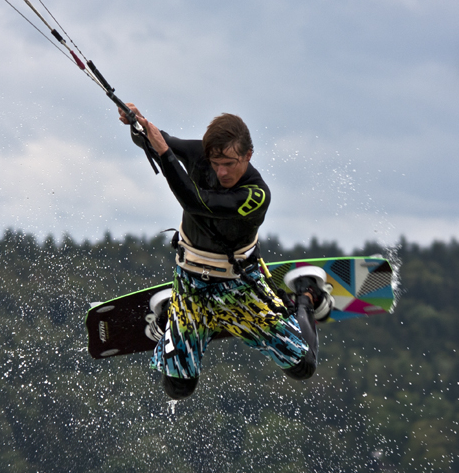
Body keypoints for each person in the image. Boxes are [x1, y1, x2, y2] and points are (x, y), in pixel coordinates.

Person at [119, 105, 332, 400]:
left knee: (303, 366)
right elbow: (154, 139)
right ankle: (170, 316)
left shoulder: (256, 194)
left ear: (248, 155)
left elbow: (197, 202)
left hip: (240, 287)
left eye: (229, 163)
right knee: (178, 388)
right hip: (192, 283)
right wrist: (136, 124)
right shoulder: (200, 154)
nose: (221, 172)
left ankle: (306, 298)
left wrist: (164, 153)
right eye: (216, 162)